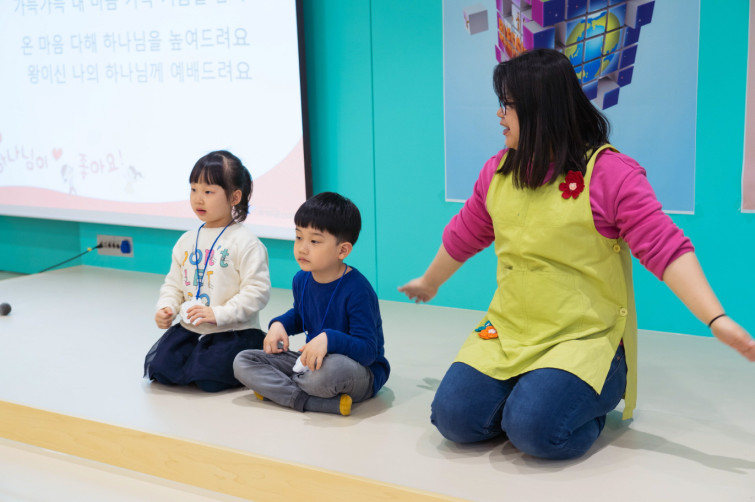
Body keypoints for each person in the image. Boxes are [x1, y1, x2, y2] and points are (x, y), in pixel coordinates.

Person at [399, 48, 755, 460]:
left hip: (583, 337)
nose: (499, 115)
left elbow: (665, 247)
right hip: (508, 329)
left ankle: (576, 400)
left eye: (508, 105)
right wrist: (430, 282)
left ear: (541, 111)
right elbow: (464, 234)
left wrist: (715, 318)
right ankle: (530, 395)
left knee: (535, 431)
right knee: (453, 420)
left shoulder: (611, 174)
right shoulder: (498, 170)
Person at [233, 192, 390, 416]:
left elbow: (368, 352)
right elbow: (301, 315)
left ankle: (279, 389)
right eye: (299, 237)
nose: (302, 248)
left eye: (314, 241)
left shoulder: (358, 290)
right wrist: (279, 324)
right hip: (310, 362)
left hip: (356, 370)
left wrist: (329, 339)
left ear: (342, 250)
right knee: (243, 361)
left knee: (327, 373)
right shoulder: (302, 279)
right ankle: (313, 401)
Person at [144, 150, 271, 392]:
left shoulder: (246, 243)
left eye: (208, 192)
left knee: (208, 380)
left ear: (235, 197)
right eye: (194, 189)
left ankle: (250, 360)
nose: (198, 199)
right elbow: (173, 284)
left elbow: (257, 292)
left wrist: (218, 314)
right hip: (192, 329)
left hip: (233, 331)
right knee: (161, 370)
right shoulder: (186, 240)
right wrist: (166, 307)